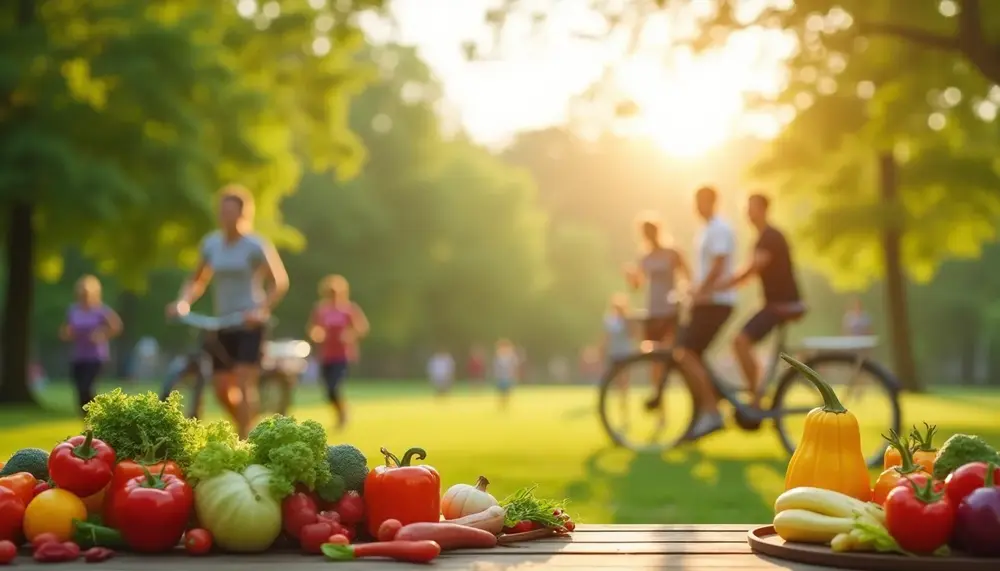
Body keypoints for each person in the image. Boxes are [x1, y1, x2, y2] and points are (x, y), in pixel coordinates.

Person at [166, 185, 289, 438]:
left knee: (245, 384)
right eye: (222, 211)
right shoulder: (211, 244)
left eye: (230, 211)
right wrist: (182, 302)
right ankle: (249, 430)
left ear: (243, 213)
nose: (225, 216)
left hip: (249, 323)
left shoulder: (255, 245)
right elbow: (197, 280)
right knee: (222, 389)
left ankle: (245, 441)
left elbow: (279, 282)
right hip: (222, 323)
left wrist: (261, 309)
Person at [652, 186, 736, 438]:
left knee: (686, 352)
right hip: (706, 301)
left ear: (709, 202)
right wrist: (692, 290)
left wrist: (701, 291)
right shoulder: (706, 230)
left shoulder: (719, 228)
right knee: (693, 354)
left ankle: (711, 411)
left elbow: (719, 264)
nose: (696, 207)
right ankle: (712, 400)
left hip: (715, 301)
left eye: (699, 202)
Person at [719, 193, 806, 411]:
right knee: (742, 342)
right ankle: (757, 392)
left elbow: (753, 268)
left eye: (751, 208)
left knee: (740, 341)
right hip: (776, 304)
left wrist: (722, 285)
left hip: (781, 304)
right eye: (746, 208)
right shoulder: (765, 236)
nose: (747, 212)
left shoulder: (770, 236)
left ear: (763, 209)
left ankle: (756, 398)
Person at [308, 274, 369, 430]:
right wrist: (317, 334)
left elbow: (362, 328)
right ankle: (341, 411)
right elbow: (313, 328)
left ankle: (342, 415)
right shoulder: (321, 310)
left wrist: (349, 335)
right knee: (327, 391)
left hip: (342, 355)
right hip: (326, 355)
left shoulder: (349, 309)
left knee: (335, 386)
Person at [60, 275, 123, 413]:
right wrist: (67, 333)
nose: (84, 296)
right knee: (80, 390)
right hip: (78, 356)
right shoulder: (73, 310)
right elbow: (67, 330)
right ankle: (86, 419)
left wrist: (102, 334)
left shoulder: (100, 310)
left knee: (87, 387)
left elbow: (116, 326)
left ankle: (98, 413)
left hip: (95, 356)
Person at [625, 214, 689, 347]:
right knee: (652, 347)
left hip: (670, 309)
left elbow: (688, 276)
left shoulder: (672, 253)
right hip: (653, 308)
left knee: (670, 347)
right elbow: (637, 286)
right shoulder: (644, 257)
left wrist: (683, 295)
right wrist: (631, 277)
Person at [493, 339, 520, 409]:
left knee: (508, 392)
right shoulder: (498, 356)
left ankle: (505, 404)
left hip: (509, 377)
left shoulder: (511, 356)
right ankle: (502, 405)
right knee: (501, 392)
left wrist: (514, 375)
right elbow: (496, 366)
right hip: (501, 377)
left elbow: (514, 366)